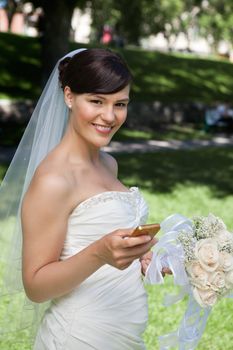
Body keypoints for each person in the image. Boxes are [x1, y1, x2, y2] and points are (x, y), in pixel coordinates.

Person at [0, 48, 157, 349]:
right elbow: (35, 285)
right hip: (79, 337)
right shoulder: (53, 180)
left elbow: (105, 244)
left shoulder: (108, 164)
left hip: (122, 333)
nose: (109, 116)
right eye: (96, 101)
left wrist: (142, 254)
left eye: (120, 104)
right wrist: (100, 253)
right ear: (69, 97)